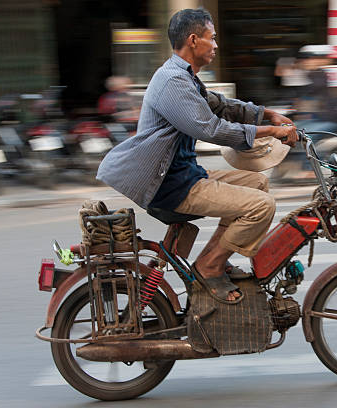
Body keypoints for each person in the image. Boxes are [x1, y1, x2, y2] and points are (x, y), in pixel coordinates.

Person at [97, 8, 297, 301]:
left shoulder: (185, 78)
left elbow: (222, 105)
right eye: (211, 38)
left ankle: (216, 256)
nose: (216, 45)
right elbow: (211, 129)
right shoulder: (172, 82)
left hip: (184, 175)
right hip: (170, 185)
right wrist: (270, 132)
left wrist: (269, 114)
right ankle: (209, 266)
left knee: (257, 183)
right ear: (193, 40)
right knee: (261, 206)